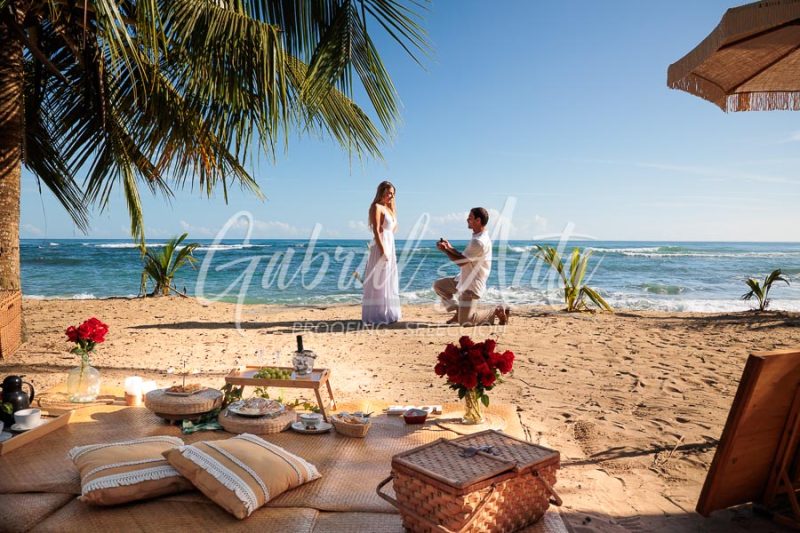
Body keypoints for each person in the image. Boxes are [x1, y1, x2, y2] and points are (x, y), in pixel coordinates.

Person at [433, 207, 508, 326]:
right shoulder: (478, 236)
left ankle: (496, 310)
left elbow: (461, 262)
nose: (467, 219)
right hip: (463, 279)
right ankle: (458, 311)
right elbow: (464, 256)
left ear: (478, 220)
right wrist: (449, 247)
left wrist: (445, 251)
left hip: (471, 286)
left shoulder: (479, 241)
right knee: (439, 286)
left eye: (470, 217)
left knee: (466, 322)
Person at [362, 181, 402, 325]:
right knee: (378, 280)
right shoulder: (376, 207)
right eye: (388, 192)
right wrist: (383, 250)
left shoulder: (389, 209)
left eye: (392, 193)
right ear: (381, 192)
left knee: (388, 279)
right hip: (381, 246)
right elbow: (377, 230)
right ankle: (376, 315)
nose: (390, 196)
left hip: (390, 244)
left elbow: (390, 231)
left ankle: (387, 312)